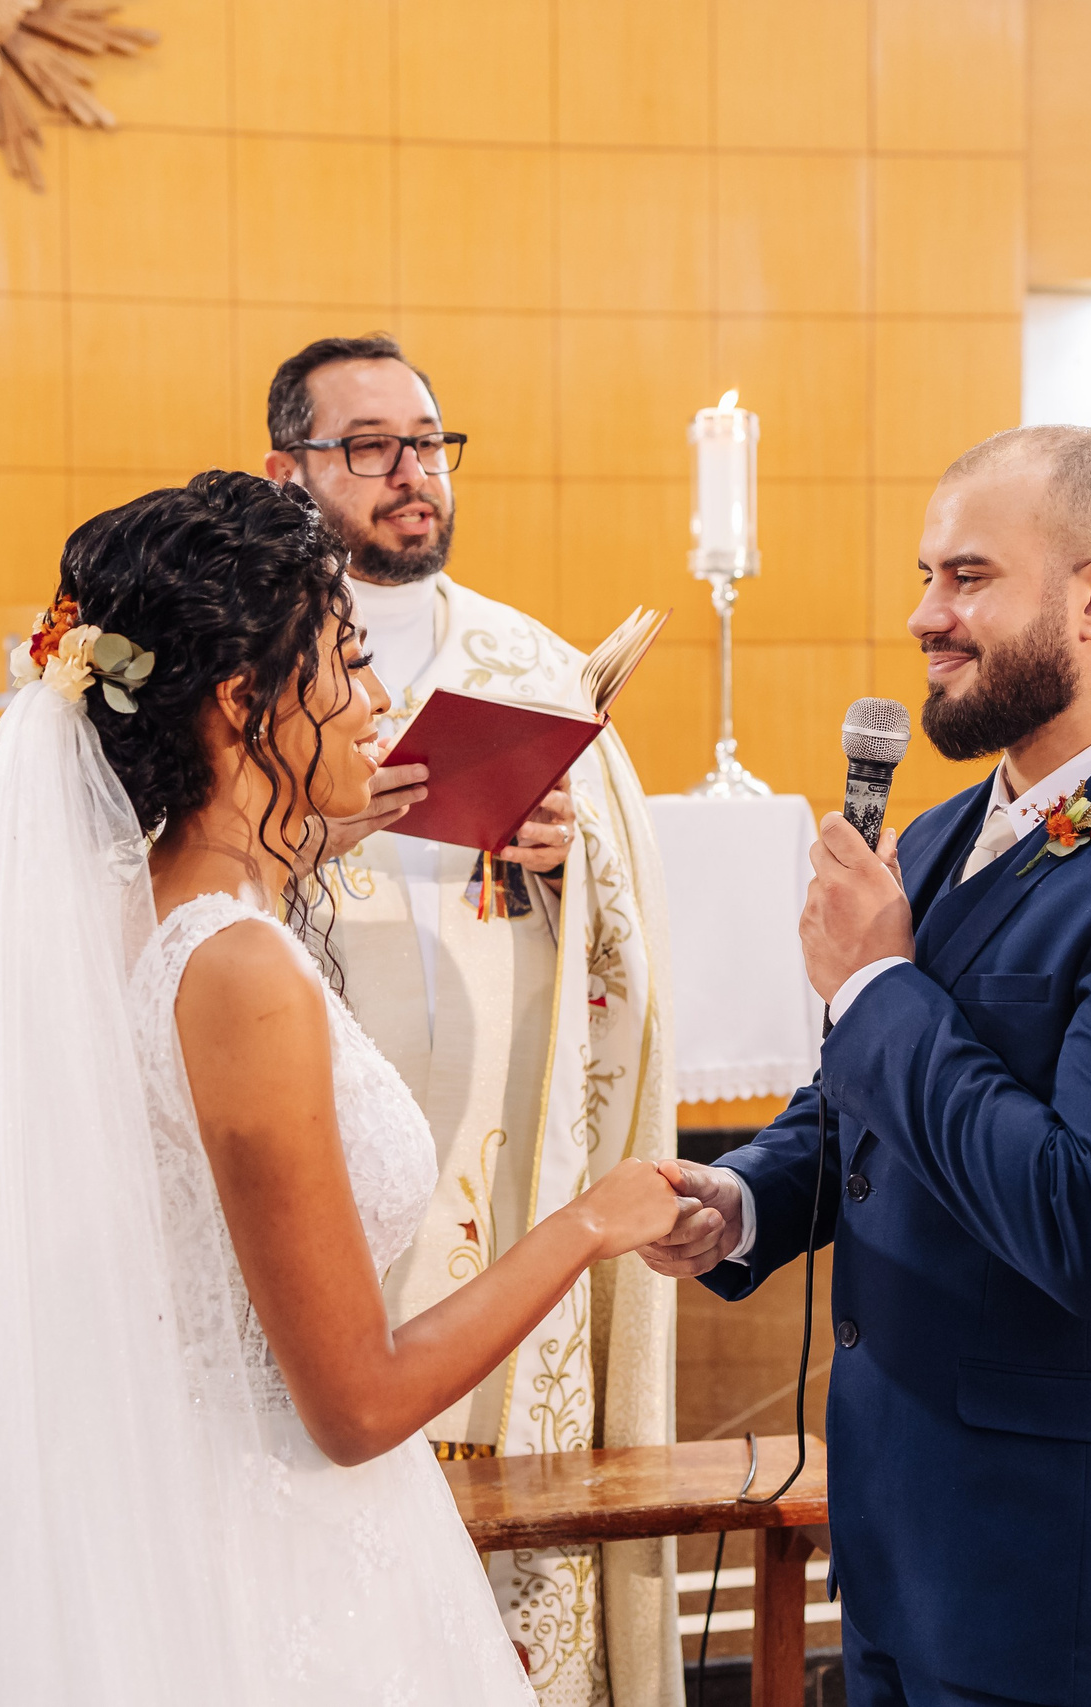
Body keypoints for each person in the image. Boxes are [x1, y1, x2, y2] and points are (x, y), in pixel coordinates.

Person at [0, 471, 684, 1705]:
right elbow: (357, 1406)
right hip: (274, 1555)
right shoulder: (241, 972)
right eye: (345, 661)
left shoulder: (124, 903)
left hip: (158, 1504)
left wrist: (315, 828)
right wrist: (592, 1222)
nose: (379, 701)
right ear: (238, 700)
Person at [639, 426, 1091, 1707]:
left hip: (1076, 1583)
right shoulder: (952, 824)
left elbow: (1082, 1216)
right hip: (909, 1546)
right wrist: (745, 1198)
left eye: (967, 578)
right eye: (925, 577)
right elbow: (871, 1093)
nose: (924, 616)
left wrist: (873, 981)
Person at [263, 334, 680, 1707]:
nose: (412, 474)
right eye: (370, 444)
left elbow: (628, 942)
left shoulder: (533, 662)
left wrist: (572, 860)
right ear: (289, 469)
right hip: (316, 1138)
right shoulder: (252, 665)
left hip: (507, 1166)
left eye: (430, 441)